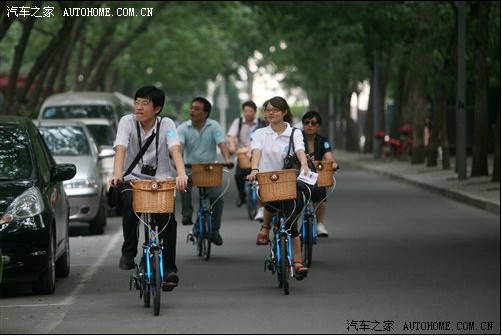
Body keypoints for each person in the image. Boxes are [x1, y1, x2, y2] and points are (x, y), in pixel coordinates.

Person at [110, 85, 188, 292]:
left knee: (168, 221)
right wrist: (117, 174)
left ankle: (170, 269)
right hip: (131, 179)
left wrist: (181, 174)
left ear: (157, 108)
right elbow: (120, 149)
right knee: (129, 204)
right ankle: (128, 252)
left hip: (161, 181)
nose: (139, 107)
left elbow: (175, 148)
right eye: (137, 102)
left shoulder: (168, 124)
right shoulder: (126, 122)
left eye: (145, 103)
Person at [247, 96, 310, 279]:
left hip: (289, 179)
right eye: (267, 110)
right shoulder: (259, 134)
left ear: (284, 112)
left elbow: (300, 150)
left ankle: (298, 262)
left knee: (291, 221)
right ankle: (265, 227)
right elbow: (256, 153)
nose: (271, 113)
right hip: (266, 179)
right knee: (271, 200)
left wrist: (304, 164)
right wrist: (254, 170)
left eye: (275, 109)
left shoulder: (294, 133)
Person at [177, 97, 233, 246]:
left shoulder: (214, 126)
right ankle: (187, 214)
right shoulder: (183, 127)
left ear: (205, 113)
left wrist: (227, 159)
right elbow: (179, 147)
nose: (192, 111)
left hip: (209, 169)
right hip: (189, 168)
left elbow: (222, 144)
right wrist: (178, 164)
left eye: (197, 109)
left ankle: (215, 230)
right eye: (191, 108)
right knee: (183, 184)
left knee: (217, 198)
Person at [301, 110, 339, 237]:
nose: (309, 125)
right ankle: (293, 228)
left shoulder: (323, 141)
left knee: (321, 192)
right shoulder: (297, 139)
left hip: (317, 175)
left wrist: (333, 165)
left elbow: (329, 157)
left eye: (313, 123)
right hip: (299, 174)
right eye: (306, 123)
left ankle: (320, 224)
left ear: (318, 126)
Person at [227, 100, 266, 208]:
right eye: (246, 111)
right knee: (238, 176)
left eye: (250, 111)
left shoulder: (260, 123)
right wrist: (232, 145)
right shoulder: (238, 122)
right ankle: (242, 196)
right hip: (242, 154)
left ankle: (263, 201)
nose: (248, 113)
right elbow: (231, 136)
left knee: (260, 177)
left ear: (255, 112)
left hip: (257, 153)